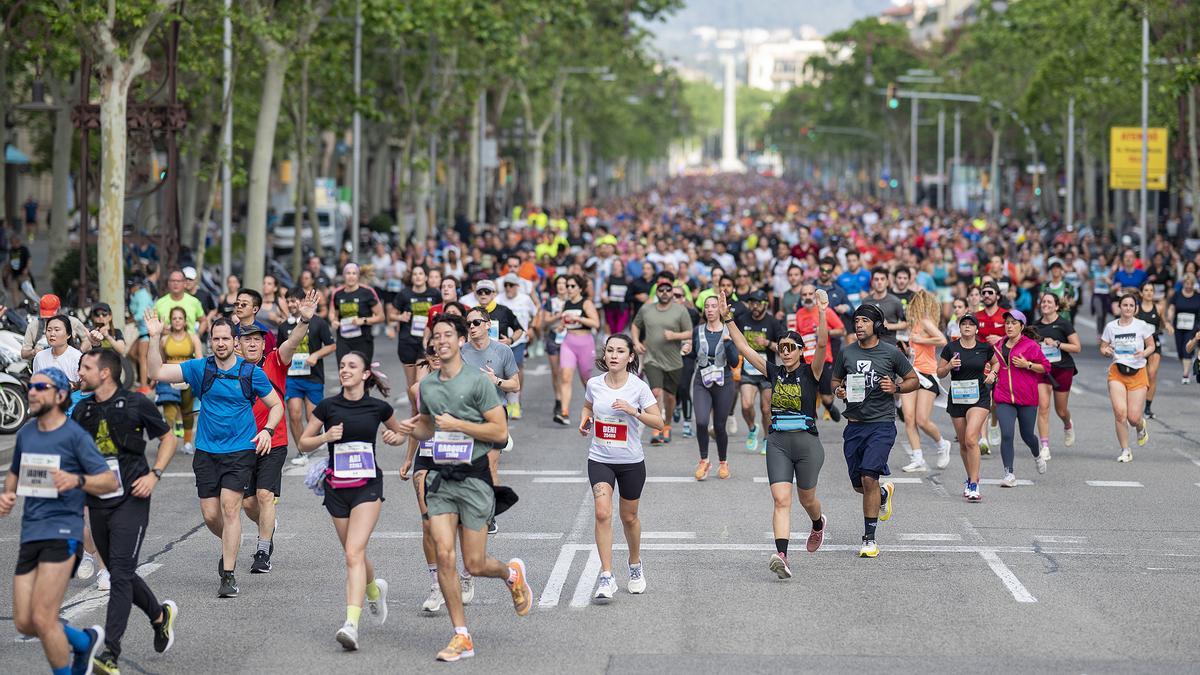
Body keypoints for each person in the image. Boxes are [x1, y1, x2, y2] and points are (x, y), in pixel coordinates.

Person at [394, 313, 533, 662]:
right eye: (435, 336)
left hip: (474, 478)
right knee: (443, 553)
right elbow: (428, 426)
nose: (440, 341)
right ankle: (461, 635)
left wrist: (460, 424)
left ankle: (510, 573)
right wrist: (407, 430)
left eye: (447, 335)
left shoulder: (478, 383)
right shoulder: (428, 385)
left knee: (474, 563)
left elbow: (499, 433)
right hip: (441, 477)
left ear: (459, 341)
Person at [146, 314, 283, 598]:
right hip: (207, 451)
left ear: (235, 342)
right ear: (211, 342)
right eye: (216, 339)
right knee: (210, 515)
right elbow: (157, 372)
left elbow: (276, 405)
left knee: (231, 508)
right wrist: (154, 337)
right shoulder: (200, 368)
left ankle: (229, 575)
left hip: (240, 450)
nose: (221, 344)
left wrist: (268, 430)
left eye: (226, 339)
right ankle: (230, 544)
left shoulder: (251, 372)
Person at [1, 368, 117, 675]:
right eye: (31, 386)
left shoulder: (75, 436)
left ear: (60, 394)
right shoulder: (26, 432)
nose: (32, 391)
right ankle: (84, 641)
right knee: (25, 621)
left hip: (64, 532)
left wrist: (76, 480)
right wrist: (7, 495)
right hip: (31, 533)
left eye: (41, 386)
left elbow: (107, 481)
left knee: (43, 617)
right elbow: (16, 470)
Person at [73, 351, 179, 674]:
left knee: (118, 573)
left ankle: (110, 654)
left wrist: (154, 474)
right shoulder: (82, 408)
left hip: (132, 498)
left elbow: (167, 437)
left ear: (105, 373)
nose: (80, 372)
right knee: (124, 572)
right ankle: (160, 616)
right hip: (98, 499)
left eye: (86, 367)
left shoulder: (136, 403)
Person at [299, 352, 407, 651]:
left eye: (352, 367)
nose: (345, 370)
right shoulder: (327, 407)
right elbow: (303, 442)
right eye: (343, 366)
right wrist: (325, 437)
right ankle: (374, 590)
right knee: (353, 553)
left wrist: (393, 439)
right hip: (336, 488)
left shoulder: (378, 407)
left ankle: (351, 624)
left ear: (364, 375)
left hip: (368, 487)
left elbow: (399, 434)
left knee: (352, 554)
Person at [723, 290, 829, 579]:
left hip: (807, 442)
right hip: (779, 443)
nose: (785, 351)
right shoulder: (773, 371)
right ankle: (782, 555)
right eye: (782, 347)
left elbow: (821, 343)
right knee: (781, 500)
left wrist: (821, 311)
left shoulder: (811, 372)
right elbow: (744, 348)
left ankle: (818, 522)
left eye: (791, 347)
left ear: (799, 351)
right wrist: (728, 318)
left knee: (807, 500)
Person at [239, 290, 321, 573]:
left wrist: (304, 320)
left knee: (264, 496)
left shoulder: (275, 360)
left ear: (264, 344)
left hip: (274, 440)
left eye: (257, 340)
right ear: (239, 345)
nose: (252, 344)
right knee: (249, 504)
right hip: (242, 443)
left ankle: (262, 551)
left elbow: (293, 342)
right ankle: (268, 523)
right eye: (247, 339)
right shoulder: (231, 368)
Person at [578, 333, 663, 601]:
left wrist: (633, 411)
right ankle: (606, 576)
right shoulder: (594, 383)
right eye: (610, 351)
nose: (613, 355)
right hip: (600, 458)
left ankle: (635, 565)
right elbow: (587, 407)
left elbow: (659, 422)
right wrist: (586, 421)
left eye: (619, 351)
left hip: (630, 461)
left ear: (630, 357)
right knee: (602, 513)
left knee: (629, 518)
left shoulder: (638, 387)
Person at [831, 304, 917, 558]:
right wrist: (839, 390)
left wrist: (897, 387)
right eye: (856, 321)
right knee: (860, 485)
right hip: (854, 425)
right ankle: (882, 494)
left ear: (876, 325)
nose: (858, 325)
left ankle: (869, 539)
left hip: (881, 424)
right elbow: (835, 380)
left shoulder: (890, 353)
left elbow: (914, 380)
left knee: (869, 477)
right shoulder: (847, 353)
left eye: (864, 321)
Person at [461, 306, 521, 533]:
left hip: (495, 412)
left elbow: (515, 385)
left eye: (476, 322)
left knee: (490, 465)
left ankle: (490, 514)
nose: (472, 327)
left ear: (488, 324)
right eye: (468, 324)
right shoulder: (461, 352)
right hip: (468, 415)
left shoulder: (502, 351)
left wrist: (495, 381)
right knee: (469, 465)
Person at [937, 315, 997, 502]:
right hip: (957, 398)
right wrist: (949, 365)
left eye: (971, 324)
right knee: (964, 443)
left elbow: (996, 362)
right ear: (960, 328)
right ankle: (971, 476)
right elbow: (939, 372)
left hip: (979, 396)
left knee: (972, 437)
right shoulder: (951, 348)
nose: (967, 327)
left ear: (976, 329)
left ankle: (974, 483)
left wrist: (993, 374)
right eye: (964, 324)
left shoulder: (984, 348)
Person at [631, 273, 694, 444]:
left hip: (674, 361)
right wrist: (636, 342)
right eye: (661, 290)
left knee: (670, 397)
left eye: (668, 290)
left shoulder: (680, 310)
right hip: (652, 359)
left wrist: (675, 335)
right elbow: (635, 325)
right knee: (655, 392)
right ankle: (656, 427)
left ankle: (666, 425)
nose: (664, 292)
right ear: (656, 292)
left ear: (672, 293)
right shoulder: (646, 309)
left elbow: (690, 332)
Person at [991, 309, 1052, 486]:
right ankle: (1009, 474)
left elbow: (1046, 367)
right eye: (1007, 323)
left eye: (1013, 323)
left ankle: (1037, 454)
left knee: (1027, 436)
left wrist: (1028, 364)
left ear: (1021, 326)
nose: (1009, 326)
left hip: (1026, 399)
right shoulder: (999, 345)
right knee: (1007, 434)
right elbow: (995, 364)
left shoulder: (1031, 346)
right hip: (1003, 397)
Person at [279, 287, 337, 467]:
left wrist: (316, 355)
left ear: (303, 302)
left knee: (314, 419)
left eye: (294, 300)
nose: (291, 304)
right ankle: (302, 450)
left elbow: (331, 346)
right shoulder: (283, 327)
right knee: (294, 414)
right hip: (292, 378)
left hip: (313, 377)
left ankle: (316, 439)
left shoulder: (318, 323)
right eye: (288, 301)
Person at [898, 289, 951, 472]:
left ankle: (942, 444)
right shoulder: (911, 326)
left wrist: (921, 338)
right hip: (910, 373)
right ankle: (917, 457)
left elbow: (942, 340)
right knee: (909, 418)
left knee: (922, 419)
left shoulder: (925, 322)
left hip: (927, 374)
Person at [1100, 293, 1156, 463]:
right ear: (1119, 307)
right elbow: (1103, 346)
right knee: (1120, 413)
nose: (1128, 308)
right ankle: (1125, 450)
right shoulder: (1111, 327)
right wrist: (1105, 350)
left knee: (1133, 417)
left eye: (1131, 305)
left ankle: (1140, 426)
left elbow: (1152, 345)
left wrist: (1144, 353)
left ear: (1135, 308)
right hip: (1117, 372)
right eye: (1125, 305)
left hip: (1138, 372)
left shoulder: (1142, 326)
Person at [688, 296, 739, 479]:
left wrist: (727, 342)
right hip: (702, 380)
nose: (710, 310)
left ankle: (723, 462)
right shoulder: (698, 330)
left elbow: (733, 362)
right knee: (701, 421)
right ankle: (704, 461)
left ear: (720, 309)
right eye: (707, 307)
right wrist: (687, 351)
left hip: (723, 380)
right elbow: (693, 355)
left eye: (713, 306)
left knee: (719, 425)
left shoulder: (729, 330)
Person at [733, 290, 785, 454]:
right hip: (747, 371)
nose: (754, 306)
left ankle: (766, 438)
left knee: (765, 409)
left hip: (766, 371)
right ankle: (752, 428)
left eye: (758, 303)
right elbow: (735, 341)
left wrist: (767, 343)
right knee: (746, 405)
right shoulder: (742, 320)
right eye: (752, 303)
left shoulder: (773, 323)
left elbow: (783, 348)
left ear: (765, 304)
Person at [1033, 293, 1081, 455]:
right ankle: (1045, 446)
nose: (1045, 304)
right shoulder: (1035, 326)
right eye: (1043, 301)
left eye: (1049, 302)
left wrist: (1058, 344)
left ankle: (1067, 423)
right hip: (1043, 370)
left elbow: (1077, 347)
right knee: (1043, 407)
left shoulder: (1063, 324)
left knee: (1061, 410)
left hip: (1062, 369)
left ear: (1056, 306)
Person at [794, 282, 845, 422]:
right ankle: (809, 422)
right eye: (804, 295)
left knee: (827, 397)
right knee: (805, 397)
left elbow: (842, 330)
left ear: (815, 295)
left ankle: (829, 406)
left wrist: (824, 331)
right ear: (801, 297)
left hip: (824, 360)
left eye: (810, 294)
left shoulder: (825, 311)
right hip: (805, 361)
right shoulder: (798, 314)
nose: (808, 297)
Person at [554, 274, 601, 424]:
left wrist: (579, 319)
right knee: (566, 376)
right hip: (569, 342)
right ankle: (564, 412)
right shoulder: (566, 304)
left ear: (580, 288)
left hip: (585, 342)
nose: (569, 288)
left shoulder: (586, 303)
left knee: (586, 379)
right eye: (567, 286)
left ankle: (598, 407)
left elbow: (596, 323)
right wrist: (561, 326)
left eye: (572, 286)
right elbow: (564, 323)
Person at [392, 264, 441, 407]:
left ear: (426, 277)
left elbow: (440, 310)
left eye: (421, 274)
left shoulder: (434, 294)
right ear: (412, 278)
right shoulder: (404, 294)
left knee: (421, 382)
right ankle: (414, 410)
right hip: (407, 341)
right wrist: (400, 317)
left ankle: (421, 413)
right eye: (415, 274)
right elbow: (391, 315)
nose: (418, 276)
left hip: (425, 343)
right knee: (411, 384)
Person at [155, 307, 201, 455]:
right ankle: (167, 441)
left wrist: (199, 379)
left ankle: (187, 443)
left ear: (185, 320)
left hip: (187, 377)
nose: (177, 321)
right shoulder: (164, 339)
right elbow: (160, 361)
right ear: (171, 320)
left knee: (187, 412)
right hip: (169, 378)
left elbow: (199, 359)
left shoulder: (193, 337)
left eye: (180, 318)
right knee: (169, 411)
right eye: (174, 318)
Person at [495, 273, 538, 419]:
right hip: (500, 341)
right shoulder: (498, 299)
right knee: (502, 371)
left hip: (518, 340)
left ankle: (516, 399)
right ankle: (505, 400)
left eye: (511, 285)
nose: (508, 288)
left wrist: (532, 327)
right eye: (506, 285)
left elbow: (535, 313)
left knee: (517, 369)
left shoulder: (525, 299)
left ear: (517, 286)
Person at [330, 263, 385, 363]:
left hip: (363, 340)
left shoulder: (367, 292)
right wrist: (334, 321)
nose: (351, 276)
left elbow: (381, 317)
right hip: (343, 340)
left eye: (354, 273)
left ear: (358, 276)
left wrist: (363, 320)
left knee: (361, 372)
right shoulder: (337, 293)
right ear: (344, 275)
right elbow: (333, 313)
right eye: (348, 273)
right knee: (344, 371)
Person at [21, 294, 90, 361]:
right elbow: (24, 354)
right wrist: (33, 352)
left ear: (59, 309)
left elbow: (87, 340)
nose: (49, 320)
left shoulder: (73, 322)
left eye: (52, 317)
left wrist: (78, 354)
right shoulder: (33, 326)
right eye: (46, 318)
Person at [1135, 282, 1164, 419]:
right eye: (1146, 290)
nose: (1149, 293)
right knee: (1141, 376)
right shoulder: (1136, 309)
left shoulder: (1158, 308)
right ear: (1141, 293)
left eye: (1151, 290)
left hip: (1155, 345)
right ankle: (1137, 403)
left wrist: (1168, 326)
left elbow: (1163, 323)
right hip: (1139, 346)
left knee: (1152, 374)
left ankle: (1147, 407)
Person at [32, 315, 84, 385]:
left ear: (68, 335)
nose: (52, 334)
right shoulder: (40, 356)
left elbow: (82, 387)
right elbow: (35, 383)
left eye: (57, 330)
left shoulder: (77, 357)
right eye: (49, 330)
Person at [1167, 273, 1200, 384]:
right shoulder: (1177, 295)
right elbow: (1172, 307)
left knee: (1187, 349)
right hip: (1179, 325)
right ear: (1183, 283)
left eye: (1191, 284)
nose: (1189, 286)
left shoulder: (1197, 296)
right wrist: (1170, 318)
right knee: (1181, 352)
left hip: (1193, 327)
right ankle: (1186, 366)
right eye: (1187, 283)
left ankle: (1185, 373)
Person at [154, 269, 208, 336]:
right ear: (168, 283)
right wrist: (161, 329)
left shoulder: (194, 302)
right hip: (167, 344)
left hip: (189, 344)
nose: (175, 283)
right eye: (173, 281)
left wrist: (197, 336)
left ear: (184, 283)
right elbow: (153, 324)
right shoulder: (159, 303)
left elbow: (203, 321)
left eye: (178, 281)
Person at [860, 268, 905, 346]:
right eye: (876, 279)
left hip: (889, 345)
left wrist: (889, 326)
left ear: (887, 282)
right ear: (872, 283)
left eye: (882, 279)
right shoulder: (865, 301)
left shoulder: (895, 301)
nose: (879, 282)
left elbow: (906, 323)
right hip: (869, 345)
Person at [232, 288, 278, 356]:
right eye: (237, 303)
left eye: (244, 304)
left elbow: (270, 360)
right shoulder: (231, 331)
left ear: (255, 309)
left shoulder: (265, 333)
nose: (239, 306)